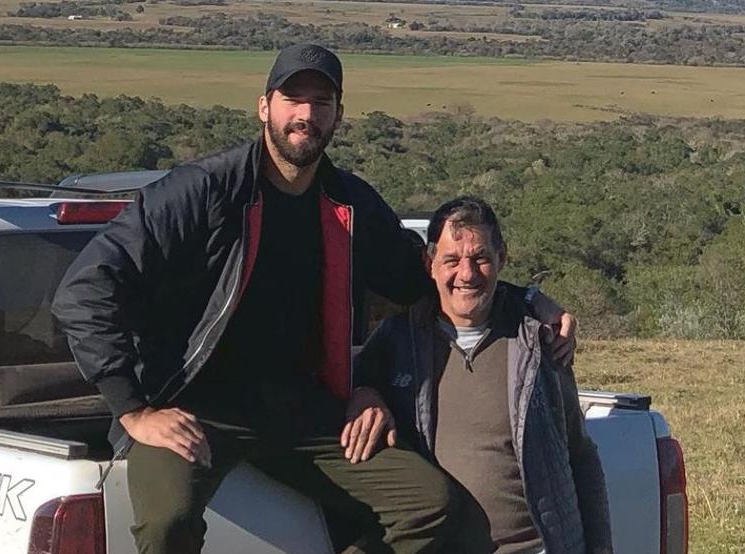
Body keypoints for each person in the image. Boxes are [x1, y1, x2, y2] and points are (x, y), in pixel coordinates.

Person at [53, 43, 574, 553]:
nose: (306, 114)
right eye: (292, 99)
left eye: (320, 103)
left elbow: (429, 279)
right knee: (168, 522)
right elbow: (88, 290)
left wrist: (523, 297)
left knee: (430, 505)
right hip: (192, 406)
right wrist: (135, 410)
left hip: (302, 413)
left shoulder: (349, 203)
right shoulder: (203, 192)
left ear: (337, 116)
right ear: (264, 106)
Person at [353, 196, 612, 554]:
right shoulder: (396, 341)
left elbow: (580, 455)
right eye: (452, 260)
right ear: (429, 264)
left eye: (481, 259)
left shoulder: (539, 343)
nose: (467, 274)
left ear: (501, 258)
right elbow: (348, 384)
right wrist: (364, 391)